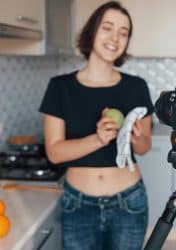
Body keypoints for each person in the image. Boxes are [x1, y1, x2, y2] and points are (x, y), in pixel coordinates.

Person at [39, 1, 154, 250]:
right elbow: (55, 153)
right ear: (92, 32)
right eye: (108, 28)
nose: (115, 37)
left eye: (124, 33)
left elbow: (145, 147)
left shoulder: (136, 87)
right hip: (78, 204)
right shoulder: (61, 87)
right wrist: (98, 138)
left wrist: (136, 138)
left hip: (129, 203)